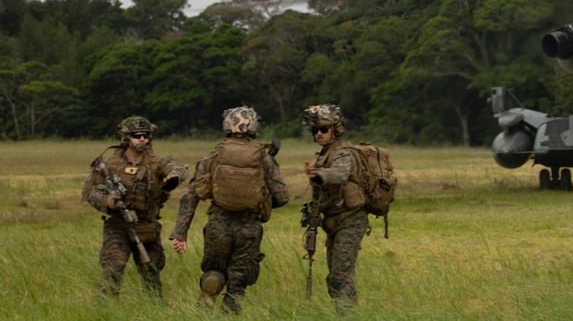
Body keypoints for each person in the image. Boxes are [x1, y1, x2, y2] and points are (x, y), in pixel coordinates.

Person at [169, 106, 288, 313]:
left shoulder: (214, 156)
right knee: (239, 281)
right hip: (249, 228)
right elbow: (282, 196)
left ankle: (205, 302)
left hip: (218, 224)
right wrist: (261, 202)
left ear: (227, 126)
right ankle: (229, 315)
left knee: (214, 272)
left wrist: (180, 233)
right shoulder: (264, 158)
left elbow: (191, 195)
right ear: (254, 127)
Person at [82, 116, 186, 297]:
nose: (143, 139)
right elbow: (88, 191)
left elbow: (176, 167)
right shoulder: (111, 165)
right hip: (118, 224)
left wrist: (174, 177)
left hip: (146, 224)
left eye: (146, 135)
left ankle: (154, 310)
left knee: (151, 270)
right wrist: (108, 201)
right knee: (113, 268)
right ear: (126, 137)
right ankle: (103, 310)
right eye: (137, 135)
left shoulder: (157, 162)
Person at [303, 104, 369, 308]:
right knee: (334, 277)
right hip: (334, 222)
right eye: (315, 130)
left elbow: (340, 174)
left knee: (341, 275)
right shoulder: (325, 154)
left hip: (350, 220)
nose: (319, 134)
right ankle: (342, 312)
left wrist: (319, 174)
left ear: (336, 129)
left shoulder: (343, 153)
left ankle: (349, 314)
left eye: (324, 129)